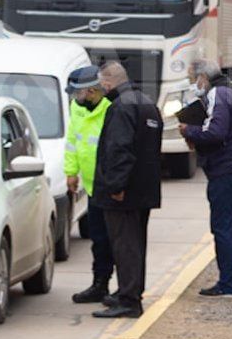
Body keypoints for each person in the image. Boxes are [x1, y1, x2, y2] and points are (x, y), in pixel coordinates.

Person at [178, 59, 232, 297]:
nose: (194, 84)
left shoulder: (217, 95)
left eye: (194, 79)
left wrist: (188, 130)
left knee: (226, 228)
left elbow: (215, 131)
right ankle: (229, 281)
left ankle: (230, 285)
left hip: (228, 171)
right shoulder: (228, 91)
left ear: (204, 77)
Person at [90, 61, 162, 318]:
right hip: (144, 190)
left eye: (101, 84)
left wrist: (115, 186)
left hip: (125, 192)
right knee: (135, 244)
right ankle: (129, 292)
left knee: (125, 246)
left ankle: (129, 301)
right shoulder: (146, 102)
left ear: (108, 82)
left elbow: (119, 150)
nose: (101, 88)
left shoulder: (121, 107)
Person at [65, 66, 114, 304]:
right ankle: (99, 285)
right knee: (98, 240)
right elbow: (73, 141)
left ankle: (123, 288)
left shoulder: (111, 109)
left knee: (115, 241)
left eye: (78, 93)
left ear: (92, 90)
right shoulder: (77, 108)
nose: (75, 98)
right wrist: (71, 172)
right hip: (92, 187)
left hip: (111, 186)